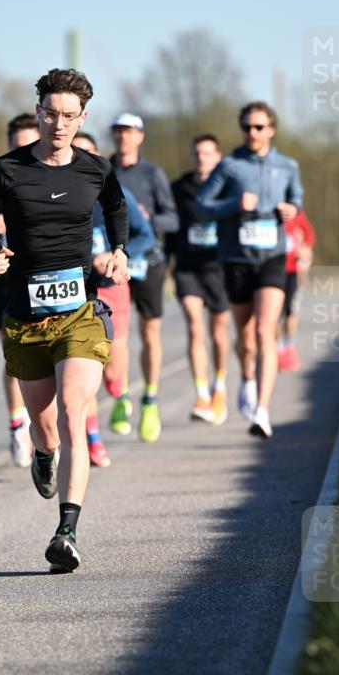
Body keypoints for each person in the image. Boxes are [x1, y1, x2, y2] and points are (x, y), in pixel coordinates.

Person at [0, 68, 129, 572]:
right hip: (26, 318)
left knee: (74, 412)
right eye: (51, 114)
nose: (59, 124)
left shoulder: (96, 170)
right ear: (38, 113)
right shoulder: (6, 170)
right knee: (45, 427)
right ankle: (43, 454)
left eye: (69, 116)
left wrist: (120, 251)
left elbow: (117, 209)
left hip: (80, 313)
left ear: (82, 118)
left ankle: (66, 532)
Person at [197, 102, 303, 439]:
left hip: (272, 257)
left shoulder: (287, 166)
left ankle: (263, 411)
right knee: (245, 336)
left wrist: (291, 209)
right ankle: (247, 379)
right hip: (236, 259)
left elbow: (297, 201)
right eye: (246, 127)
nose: (252, 133)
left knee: (264, 331)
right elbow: (202, 205)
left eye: (258, 127)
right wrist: (232, 205)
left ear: (271, 129)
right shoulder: (229, 166)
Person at [73, 131, 156, 467]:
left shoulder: (114, 192)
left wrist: (115, 255)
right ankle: (93, 439)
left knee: (112, 361)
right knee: (84, 364)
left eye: (87, 154)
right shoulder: (53, 194)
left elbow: (146, 236)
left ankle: (119, 391)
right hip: (74, 290)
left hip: (110, 285)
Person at [110, 113, 179, 443]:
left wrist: (149, 220)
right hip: (113, 264)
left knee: (150, 333)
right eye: (118, 131)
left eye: (129, 131)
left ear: (140, 136)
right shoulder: (102, 170)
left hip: (148, 262)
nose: (123, 137)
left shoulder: (153, 174)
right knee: (114, 336)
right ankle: (121, 395)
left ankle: (150, 399)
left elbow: (173, 220)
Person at [0, 113, 40, 467]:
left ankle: (42, 424)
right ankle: (17, 425)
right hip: (7, 285)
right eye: (18, 145)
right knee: (14, 359)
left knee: (46, 359)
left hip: (44, 282)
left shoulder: (51, 177)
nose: (24, 151)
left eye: (30, 144)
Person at [170, 134, 230, 424]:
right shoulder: (179, 188)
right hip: (188, 267)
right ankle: (201, 395)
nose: (201, 158)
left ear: (218, 157)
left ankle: (220, 387)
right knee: (195, 329)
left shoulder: (228, 187)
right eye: (197, 153)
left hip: (219, 268)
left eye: (207, 153)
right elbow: (170, 226)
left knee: (218, 333)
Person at [278, 210, 316, 372]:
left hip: (292, 270)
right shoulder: (268, 210)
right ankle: (278, 350)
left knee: (290, 311)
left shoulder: (296, 213)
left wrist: (306, 248)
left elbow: (309, 236)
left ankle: (289, 348)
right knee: (275, 314)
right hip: (272, 269)